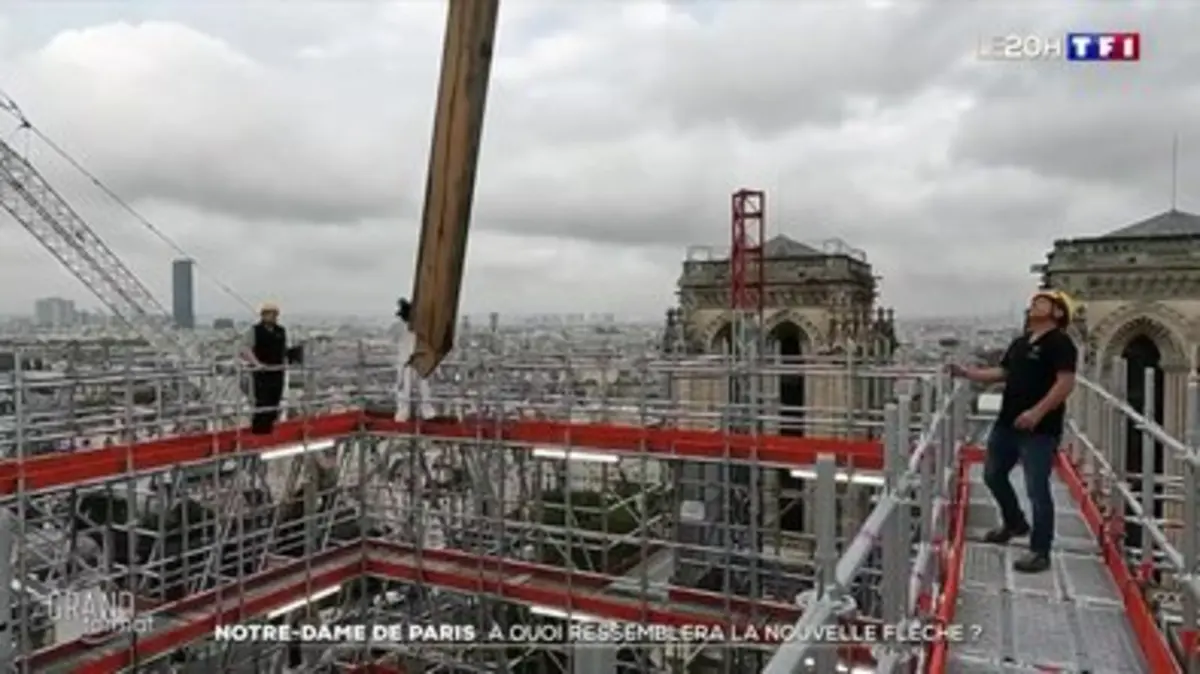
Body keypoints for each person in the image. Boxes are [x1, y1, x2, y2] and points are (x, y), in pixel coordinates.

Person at [949, 289, 1078, 573]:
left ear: (1058, 313)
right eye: (1034, 301)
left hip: (1040, 429)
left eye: (1042, 301)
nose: (1034, 303)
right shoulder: (1020, 343)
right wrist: (967, 373)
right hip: (1007, 422)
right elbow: (1003, 373)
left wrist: (1037, 412)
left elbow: (1065, 383)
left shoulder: (1060, 343)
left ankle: (1040, 550)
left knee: (1037, 489)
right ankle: (1015, 522)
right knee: (993, 475)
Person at [240, 302, 302, 434]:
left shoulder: (281, 331)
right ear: (263, 315)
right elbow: (245, 349)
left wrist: (292, 354)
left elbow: (282, 350)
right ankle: (259, 431)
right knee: (262, 403)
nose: (273, 317)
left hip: (277, 372)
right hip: (262, 373)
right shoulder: (255, 331)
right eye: (270, 314)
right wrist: (256, 363)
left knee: (275, 402)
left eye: (274, 314)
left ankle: (270, 429)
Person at [395, 297, 436, 421]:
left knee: (410, 389)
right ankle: (424, 411)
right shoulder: (416, 331)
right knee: (422, 388)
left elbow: (406, 349)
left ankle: (407, 412)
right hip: (415, 361)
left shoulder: (410, 331)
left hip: (411, 362)